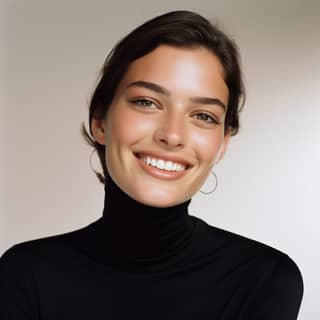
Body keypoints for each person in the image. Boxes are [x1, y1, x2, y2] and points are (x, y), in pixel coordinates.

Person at [0, 10, 303, 319]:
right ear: (100, 120)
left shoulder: (264, 280)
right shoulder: (24, 276)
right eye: (147, 102)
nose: (172, 135)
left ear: (222, 142)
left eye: (203, 116)